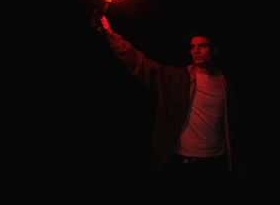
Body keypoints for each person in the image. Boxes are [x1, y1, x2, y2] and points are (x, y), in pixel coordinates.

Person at [91, 12, 247, 203]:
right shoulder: (178, 79)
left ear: (214, 50)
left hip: (215, 166)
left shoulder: (226, 83)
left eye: (202, 46)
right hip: (183, 165)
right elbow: (141, 64)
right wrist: (109, 34)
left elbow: (235, 126)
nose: (196, 51)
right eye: (192, 47)